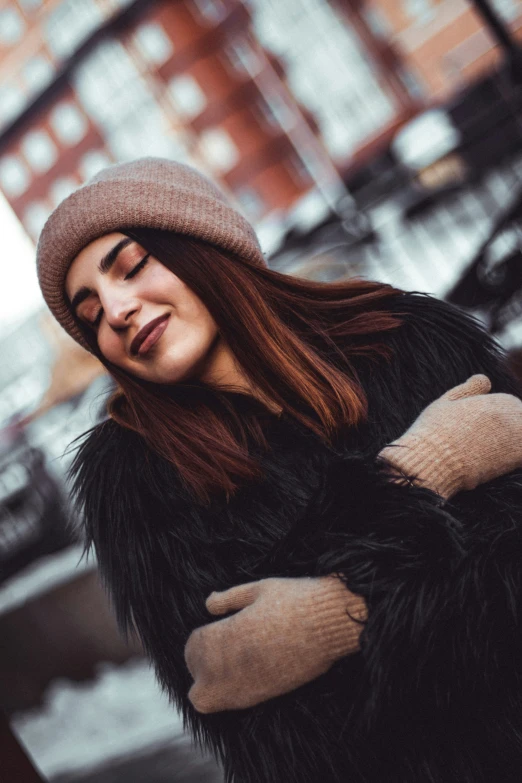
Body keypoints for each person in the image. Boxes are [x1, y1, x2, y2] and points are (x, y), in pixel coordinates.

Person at [36, 158, 522, 783]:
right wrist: (425, 468)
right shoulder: (136, 484)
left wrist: (323, 623)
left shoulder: (407, 340)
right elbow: (283, 744)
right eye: (91, 314)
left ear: (203, 244)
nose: (118, 310)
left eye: (131, 267)